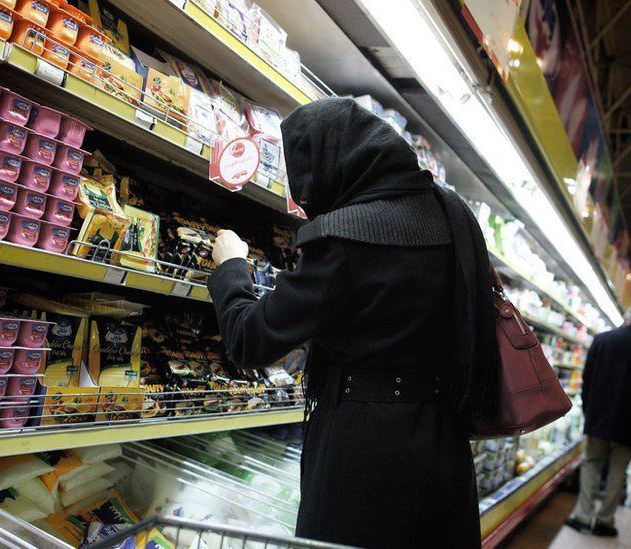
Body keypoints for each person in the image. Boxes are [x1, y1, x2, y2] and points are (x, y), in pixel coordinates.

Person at [207, 98, 500, 547]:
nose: (306, 196)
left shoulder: (348, 235)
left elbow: (252, 339)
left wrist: (231, 267)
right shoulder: (456, 216)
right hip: (443, 440)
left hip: (362, 450)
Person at [565, 308, 631, 537]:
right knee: (618, 471)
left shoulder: (602, 341)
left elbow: (587, 379)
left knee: (591, 464)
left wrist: (587, 409)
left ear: (626, 319)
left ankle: (582, 516)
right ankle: (605, 521)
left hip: (599, 417)